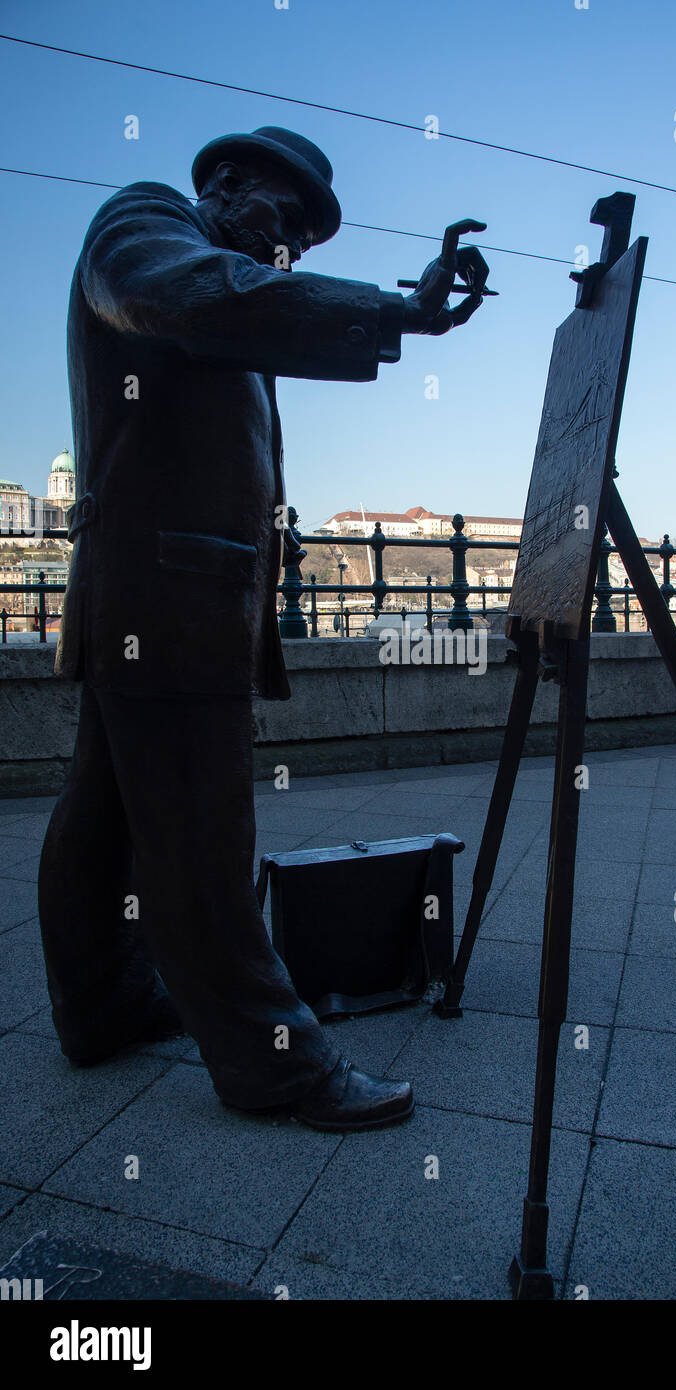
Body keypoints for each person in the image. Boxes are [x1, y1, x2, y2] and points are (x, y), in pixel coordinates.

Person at [38, 126, 488, 1130]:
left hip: (167, 592)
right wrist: (394, 310)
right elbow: (190, 297)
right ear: (227, 185)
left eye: (306, 240)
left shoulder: (222, 283)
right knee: (201, 833)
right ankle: (275, 1062)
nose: (291, 249)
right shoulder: (145, 223)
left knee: (105, 809)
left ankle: (100, 1004)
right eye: (284, 220)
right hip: (168, 592)